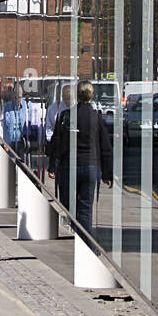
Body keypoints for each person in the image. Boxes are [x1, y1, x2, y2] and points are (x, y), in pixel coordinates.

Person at [47, 79, 113, 235]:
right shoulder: (96, 117)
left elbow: (56, 142)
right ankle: (85, 238)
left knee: (68, 204)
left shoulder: (66, 116)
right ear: (91, 96)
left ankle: (83, 239)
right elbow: (106, 147)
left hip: (69, 166)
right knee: (86, 207)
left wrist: (51, 166)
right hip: (91, 166)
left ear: (77, 95)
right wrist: (107, 174)